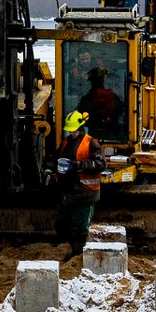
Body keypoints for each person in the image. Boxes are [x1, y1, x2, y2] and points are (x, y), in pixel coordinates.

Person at [56, 109, 103, 257]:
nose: (72, 133)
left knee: (80, 229)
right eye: (70, 131)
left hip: (85, 193)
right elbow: (55, 159)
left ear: (81, 128)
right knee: (63, 225)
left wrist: (77, 165)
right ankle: (73, 252)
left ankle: (79, 256)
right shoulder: (66, 143)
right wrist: (49, 170)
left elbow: (100, 164)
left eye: (74, 131)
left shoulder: (91, 143)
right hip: (68, 193)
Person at [83, 65, 123, 143]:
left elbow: (81, 113)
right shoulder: (113, 96)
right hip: (113, 133)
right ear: (102, 80)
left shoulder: (87, 98)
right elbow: (120, 110)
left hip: (93, 134)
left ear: (91, 81)